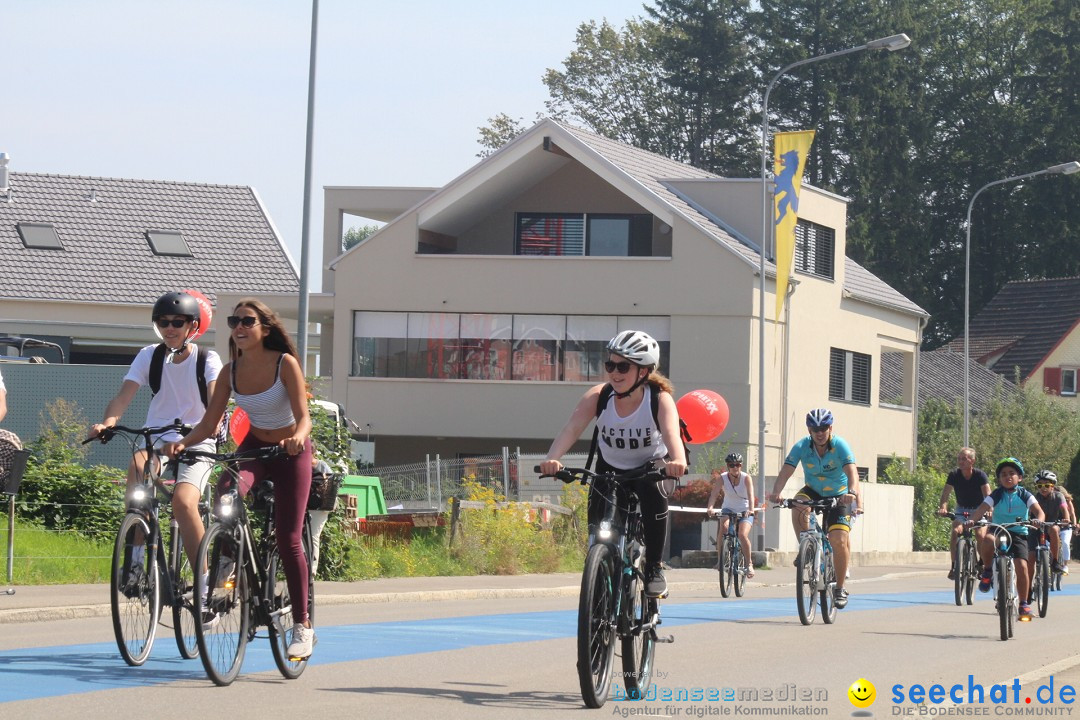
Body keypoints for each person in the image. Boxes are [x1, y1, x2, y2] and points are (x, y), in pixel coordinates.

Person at [163, 298, 315, 659]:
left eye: (247, 321)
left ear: (265, 327)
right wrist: (183, 443)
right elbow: (209, 423)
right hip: (252, 448)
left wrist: (296, 437)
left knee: (288, 537)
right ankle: (225, 585)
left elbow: (304, 417)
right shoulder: (231, 371)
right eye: (234, 322)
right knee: (225, 498)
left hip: (290, 453)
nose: (239, 328)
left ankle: (303, 625)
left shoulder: (285, 364)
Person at [87, 291, 221, 587]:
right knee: (137, 471)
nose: (170, 328)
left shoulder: (208, 359)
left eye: (177, 322)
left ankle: (203, 583)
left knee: (184, 504)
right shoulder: (150, 355)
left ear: (192, 326)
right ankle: (134, 565)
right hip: (157, 439)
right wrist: (107, 424)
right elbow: (123, 397)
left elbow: (215, 401)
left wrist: (211, 425)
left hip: (197, 440)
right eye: (163, 322)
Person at [540, 330, 687, 599]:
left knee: (654, 498)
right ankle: (601, 573)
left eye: (623, 366)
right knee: (599, 531)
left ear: (644, 372)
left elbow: (671, 434)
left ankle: (654, 567)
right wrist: (553, 459)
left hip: (649, 468)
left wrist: (677, 461)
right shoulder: (598, 396)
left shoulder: (658, 399)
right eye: (610, 365)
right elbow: (571, 429)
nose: (614, 373)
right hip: (609, 468)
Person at [767, 408, 860, 610]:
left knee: (838, 539)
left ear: (830, 428)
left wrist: (851, 493)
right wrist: (776, 492)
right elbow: (786, 471)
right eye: (815, 428)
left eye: (823, 428)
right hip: (813, 489)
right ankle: (806, 547)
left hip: (839, 494)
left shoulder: (840, 446)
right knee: (797, 503)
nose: (819, 432)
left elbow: (852, 472)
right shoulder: (802, 446)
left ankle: (840, 588)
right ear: (809, 430)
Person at [965, 457, 1045, 621]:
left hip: (1018, 532)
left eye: (1012, 473)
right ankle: (987, 571)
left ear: (1020, 477)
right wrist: (972, 520)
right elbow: (982, 508)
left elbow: (1039, 511)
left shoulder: (1025, 494)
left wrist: (1039, 520)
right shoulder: (997, 493)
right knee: (987, 539)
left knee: (1022, 565)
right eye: (1003, 474)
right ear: (999, 479)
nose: (1007, 477)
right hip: (998, 529)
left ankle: (1023, 603)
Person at [935, 447, 990, 580]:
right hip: (962, 509)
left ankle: (981, 563)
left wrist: (989, 510)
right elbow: (945, 494)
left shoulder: (980, 475)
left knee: (980, 535)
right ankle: (954, 566)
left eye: (964, 459)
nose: (961, 462)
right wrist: (943, 507)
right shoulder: (954, 474)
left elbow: (988, 495)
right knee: (955, 531)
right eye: (959, 459)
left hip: (979, 509)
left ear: (972, 461)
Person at [705, 452, 756, 579]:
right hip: (728, 508)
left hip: (745, 509)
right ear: (728, 466)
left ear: (741, 465)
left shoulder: (746, 478)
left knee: (742, 535)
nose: (735, 467)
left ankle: (749, 564)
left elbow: (750, 496)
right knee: (724, 528)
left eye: (738, 465)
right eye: (732, 465)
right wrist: (710, 507)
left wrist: (750, 509)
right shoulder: (722, 478)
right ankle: (720, 560)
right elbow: (714, 494)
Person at [1031, 470, 1068, 576]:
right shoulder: (1034, 498)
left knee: (1054, 529)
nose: (1043, 488)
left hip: (1052, 526)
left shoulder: (1059, 496)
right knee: (1030, 553)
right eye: (1040, 485)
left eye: (1047, 485)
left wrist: (1066, 519)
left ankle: (1055, 561)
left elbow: (1064, 508)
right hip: (1036, 527)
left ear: (1053, 486)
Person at [1059, 486, 1076, 574]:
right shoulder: (1051, 500)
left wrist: (1074, 524)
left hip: (1066, 528)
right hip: (1055, 526)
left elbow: (1072, 514)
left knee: (1065, 543)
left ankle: (1065, 565)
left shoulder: (1068, 502)